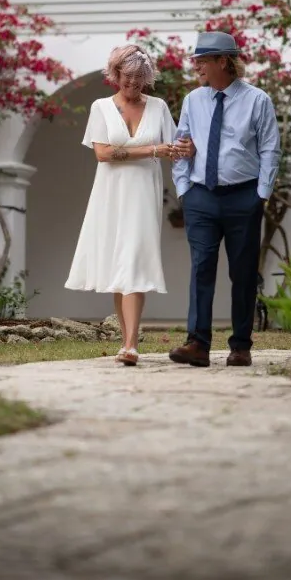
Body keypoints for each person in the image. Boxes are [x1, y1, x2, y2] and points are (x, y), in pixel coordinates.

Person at [65, 45, 194, 366]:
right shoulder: (101, 107)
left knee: (134, 260)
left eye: (140, 78)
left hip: (142, 194)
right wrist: (153, 150)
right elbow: (104, 153)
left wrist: (187, 148)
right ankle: (127, 343)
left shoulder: (159, 106)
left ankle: (131, 344)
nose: (133, 84)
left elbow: (175, 146)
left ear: (147, 78)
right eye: (128, 77)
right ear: (115, 76)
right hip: (110, 194)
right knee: (119, 265)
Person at [170, 31, 281, 368]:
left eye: (202, 60)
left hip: (242, 197)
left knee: (243, 273)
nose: (197, 66)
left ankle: (241, 346)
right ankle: (198, 344)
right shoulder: (194, 100)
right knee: (201, 268)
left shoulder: (257, 100)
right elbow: (180, 145)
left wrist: (260, 195)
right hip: (201, 197)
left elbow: (270, 149)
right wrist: (184, 190)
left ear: (223, 61)